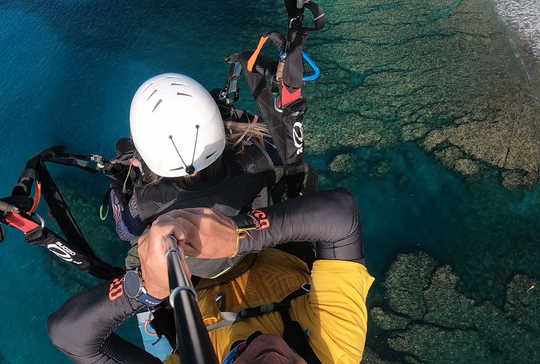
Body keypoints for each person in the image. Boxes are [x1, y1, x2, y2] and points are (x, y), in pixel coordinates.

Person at [48, 188, 373, 364]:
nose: (275, 362)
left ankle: (129, 203)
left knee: (142, 243)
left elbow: (69, 335)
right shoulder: (333, 351)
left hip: (186, 286)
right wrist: (239, 234)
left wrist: (147, 289)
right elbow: (341, 215)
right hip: (265, 253)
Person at [108, 73, 283, 279]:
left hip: (198, 267)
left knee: (136, 244)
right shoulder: (255, 160)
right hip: (243, 245)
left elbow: (125, 231)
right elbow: (277, 141)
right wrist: (231, 115)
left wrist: (117, 184)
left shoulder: (147, 202)